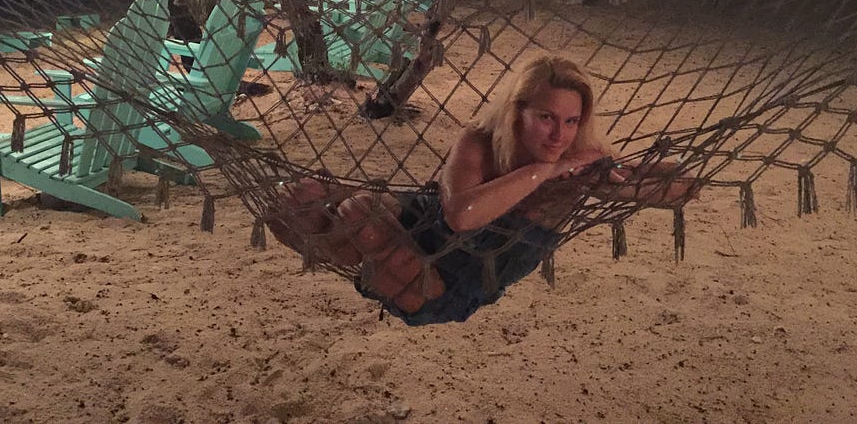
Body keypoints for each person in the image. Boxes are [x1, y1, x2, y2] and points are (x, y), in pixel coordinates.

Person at [266, 54, 700, 326]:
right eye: (546, 118)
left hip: (460, 276)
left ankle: (351, 253)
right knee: (292, 204)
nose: (559, 135)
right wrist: (544, 171)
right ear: (517, 112)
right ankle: (351, 250)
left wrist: (643, 172)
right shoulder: (480, 140)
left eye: (571, 121)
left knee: (359, 221)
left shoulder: (580, 164)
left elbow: (678, 187)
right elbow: (458, 214)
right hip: (426, 220)